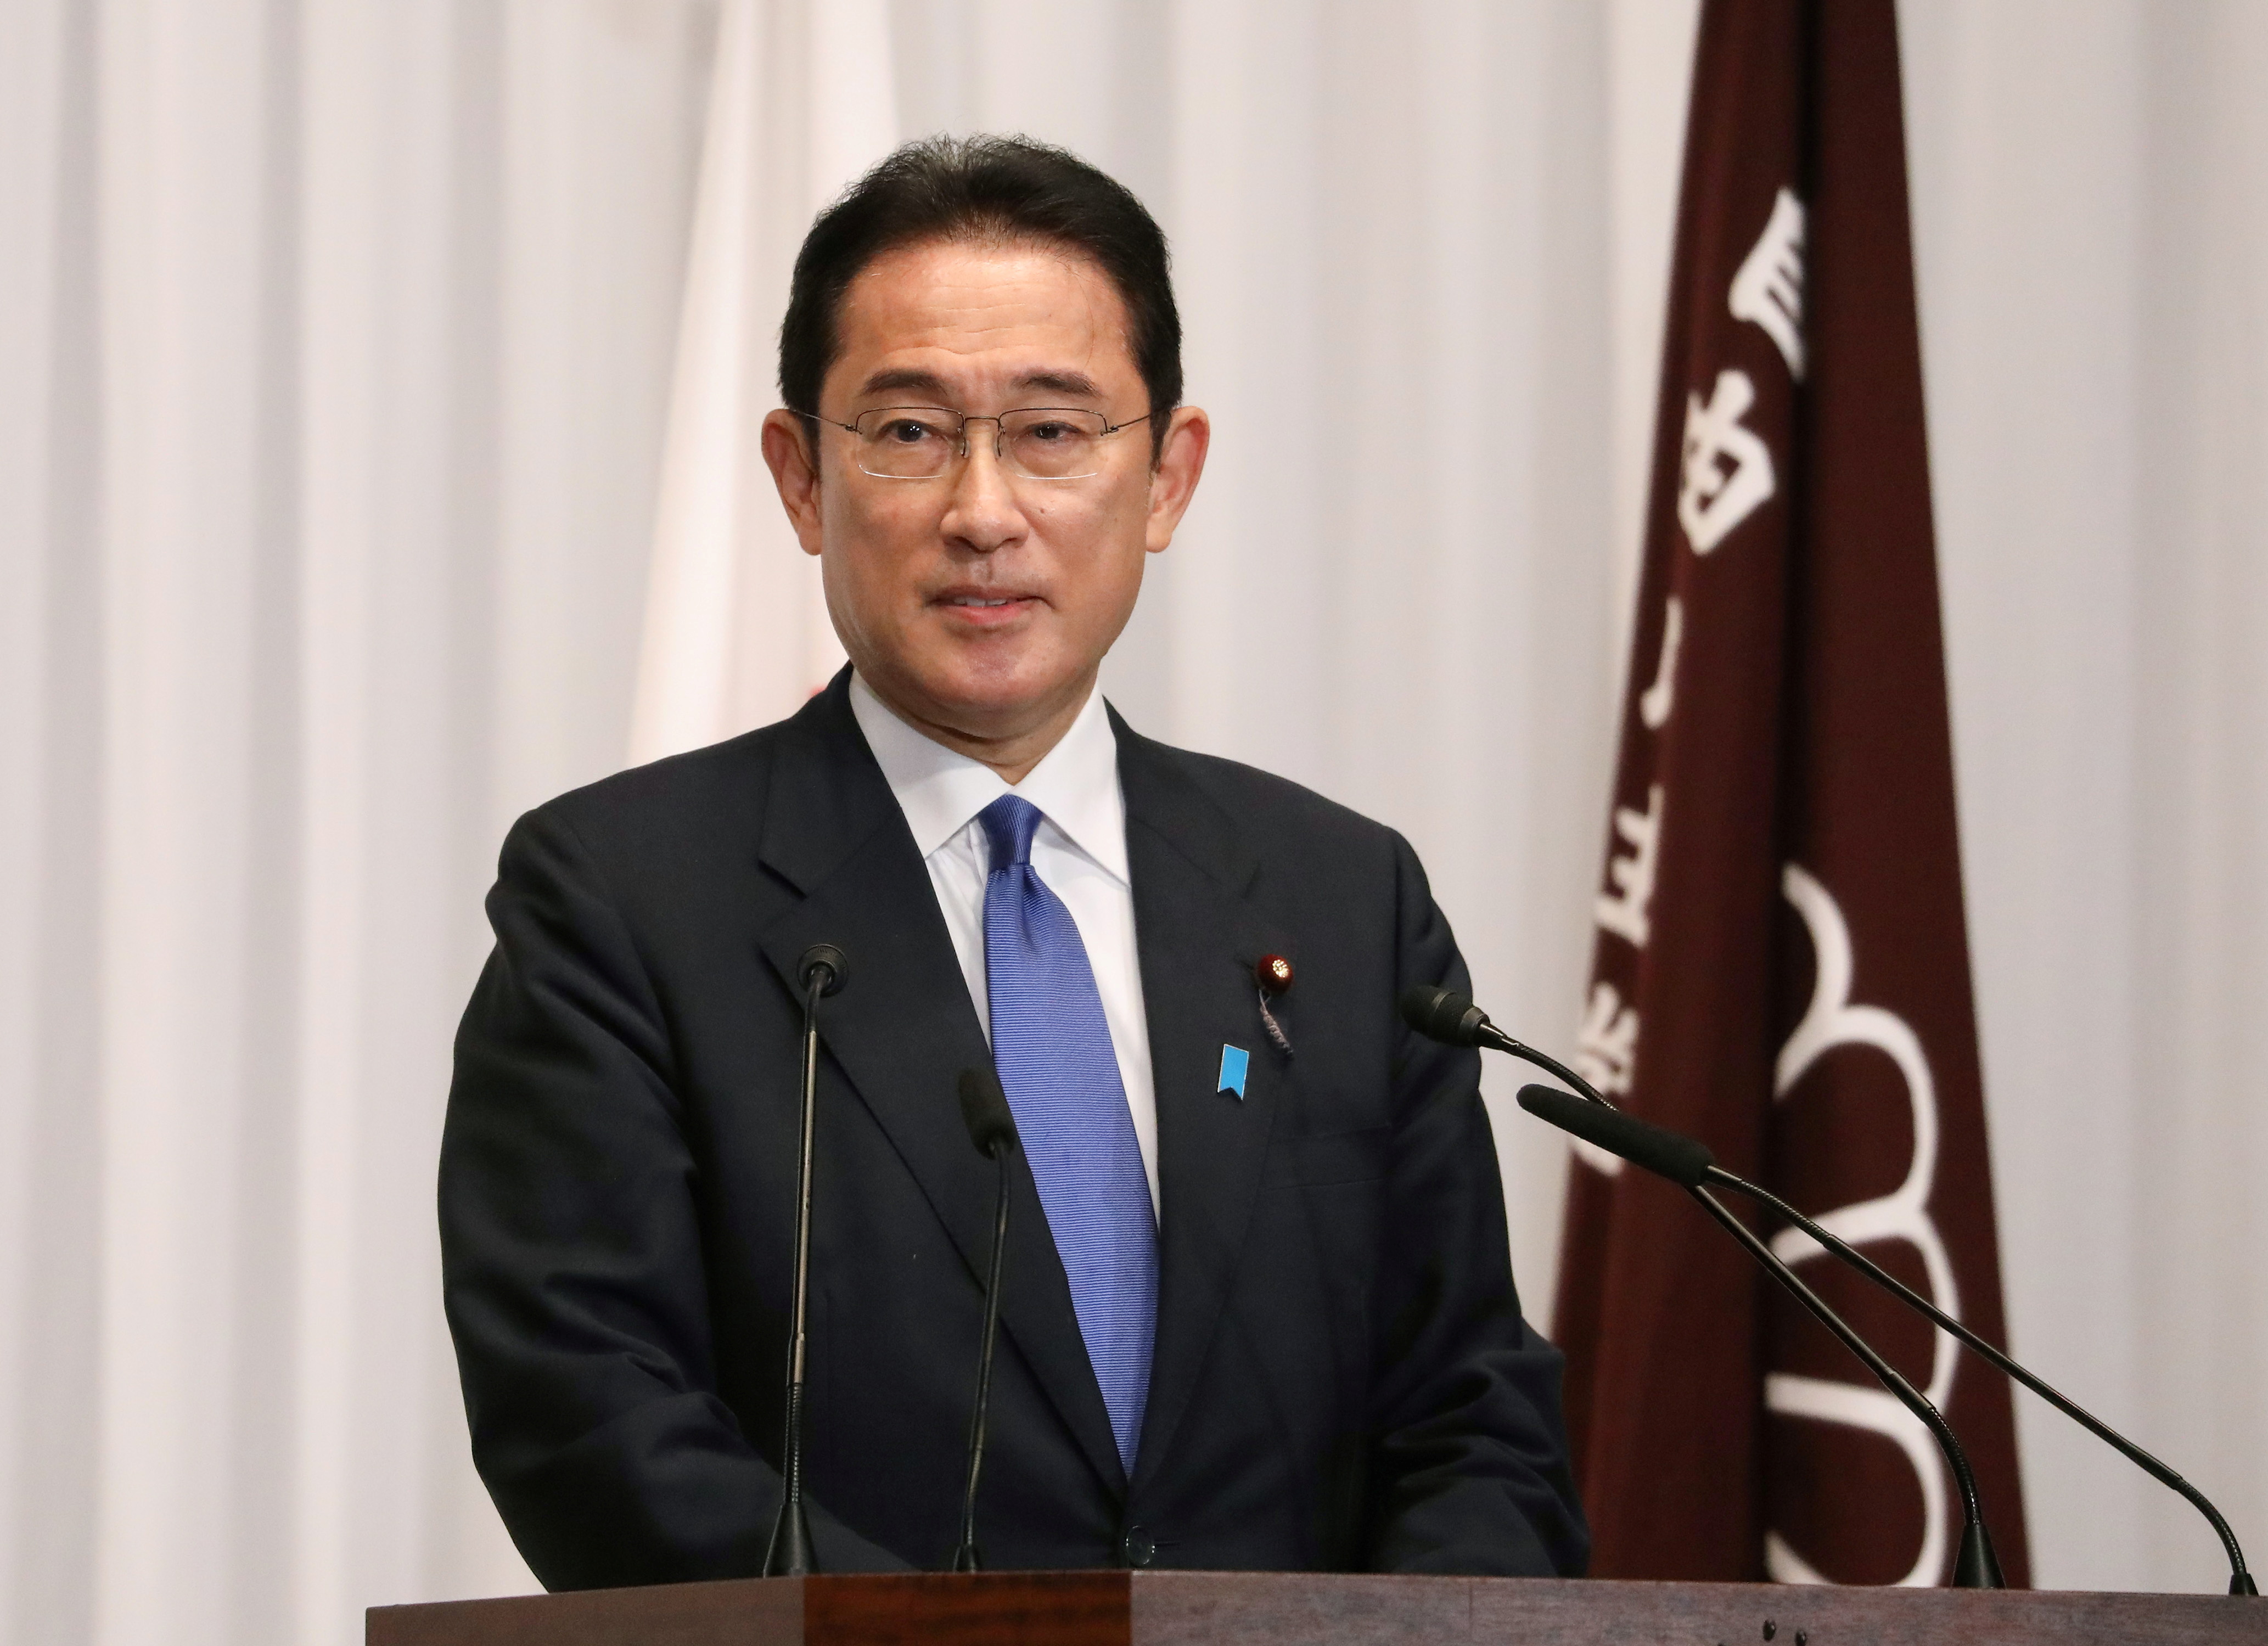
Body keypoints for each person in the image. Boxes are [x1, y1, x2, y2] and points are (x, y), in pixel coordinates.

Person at [439, 134, 1586, 1588]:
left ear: (1167, 477)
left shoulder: (1340, 903)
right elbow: (590, 1421)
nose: (983, 512)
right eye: (908, 432)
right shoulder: (622, 900)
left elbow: (1470, 1417)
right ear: (800, 479)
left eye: (1054, 431)